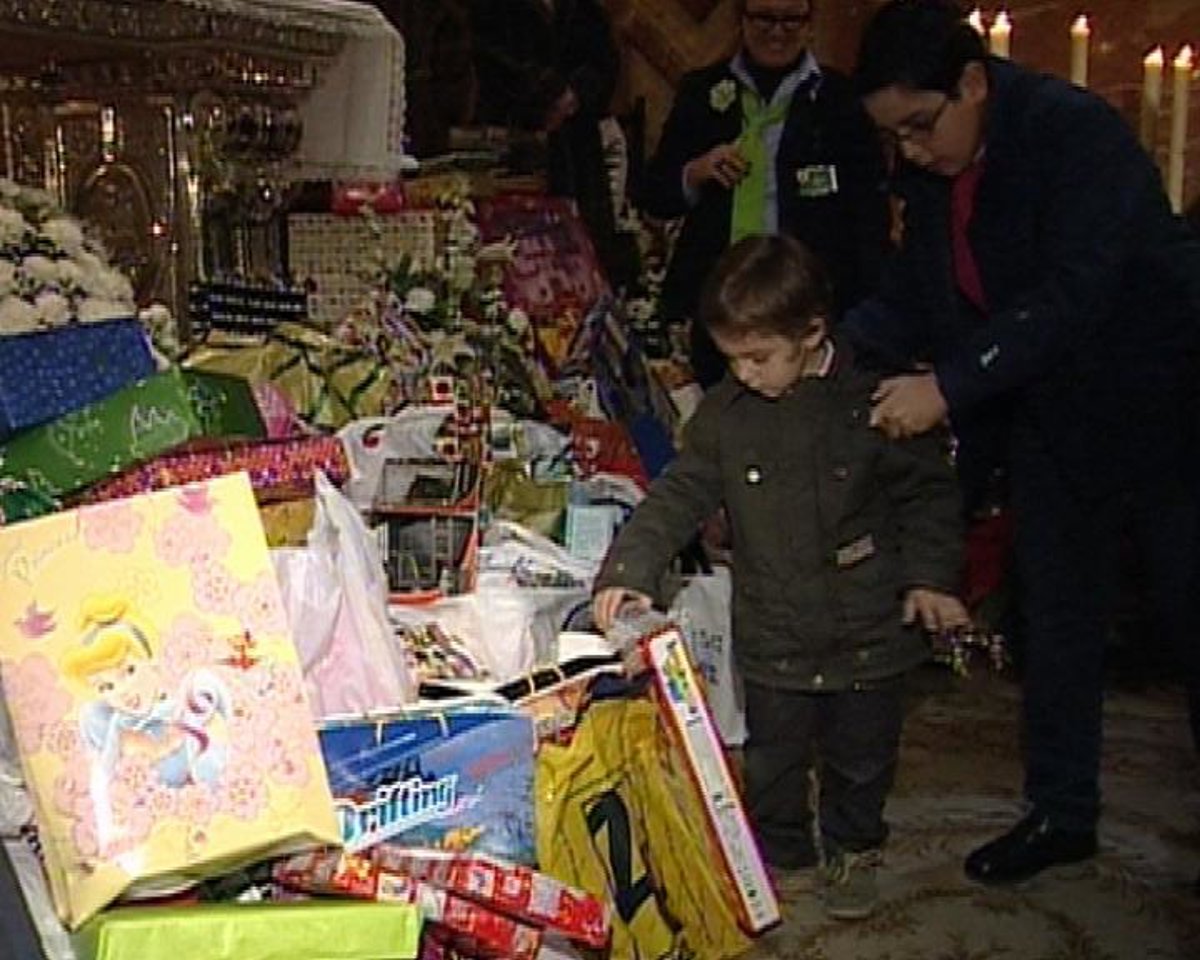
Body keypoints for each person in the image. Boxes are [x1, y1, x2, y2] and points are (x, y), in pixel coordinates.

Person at [847, 0, 1200, 887]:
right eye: (893, 137)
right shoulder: (934, 172)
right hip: (1051, 417)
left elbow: (1073, 297)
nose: (910, 152)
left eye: (919, 126)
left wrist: (949, 386)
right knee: (1057, 618)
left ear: (972, 83)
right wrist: (820, 350)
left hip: (1166, 406)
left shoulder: (1073, 133)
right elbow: (917, 298)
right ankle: (1061, 812)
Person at [592, 233, 968, 920]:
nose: (745, 374)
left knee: (862, 757)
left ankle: (855, 846)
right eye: (731, 358)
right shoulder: (726, 416)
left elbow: (928, 497)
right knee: (772, 759)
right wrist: (630, 567)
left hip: (867, 627)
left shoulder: (875, 399)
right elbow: (679, 493)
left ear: (813, 333)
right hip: (773, 629)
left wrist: (931, 579)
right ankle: (782, 848)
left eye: (759, 358)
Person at [639, 0, 890, 388]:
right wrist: (695, 172)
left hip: (809, 300)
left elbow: (869, 213)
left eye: (791, 19)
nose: (777, 31)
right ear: (741, 20)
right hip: (720, 301)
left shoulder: (839, 98)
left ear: (809, 24)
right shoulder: (701, 91)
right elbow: (655, 194)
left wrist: (865, 309)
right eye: (764, 18)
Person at [467, 0, 621, 279]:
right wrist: (548, 96)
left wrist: (576, 94)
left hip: (577, 146)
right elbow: (490, 57)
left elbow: (605, 64)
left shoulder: (584, 9)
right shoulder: (492, 8)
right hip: (510, 142)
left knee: (583, 253)